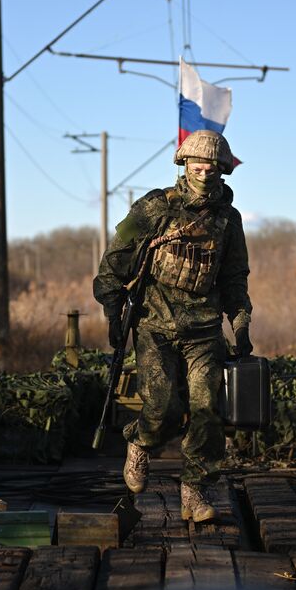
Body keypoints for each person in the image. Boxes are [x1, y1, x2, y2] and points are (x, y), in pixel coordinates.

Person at [93, 129, 253, 523]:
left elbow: (234, 277)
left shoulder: (228, 220)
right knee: (163, 407)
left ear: (223, 170)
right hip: (155, 326)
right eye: (198, 162)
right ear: (184, 162)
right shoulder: (153, 207)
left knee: (207, 410)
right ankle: (139, 442)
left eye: (213, 164)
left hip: (204, 330)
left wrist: (241, 322)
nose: (205, 169)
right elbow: (115, 259)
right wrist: (112, 312)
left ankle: (195, 490)